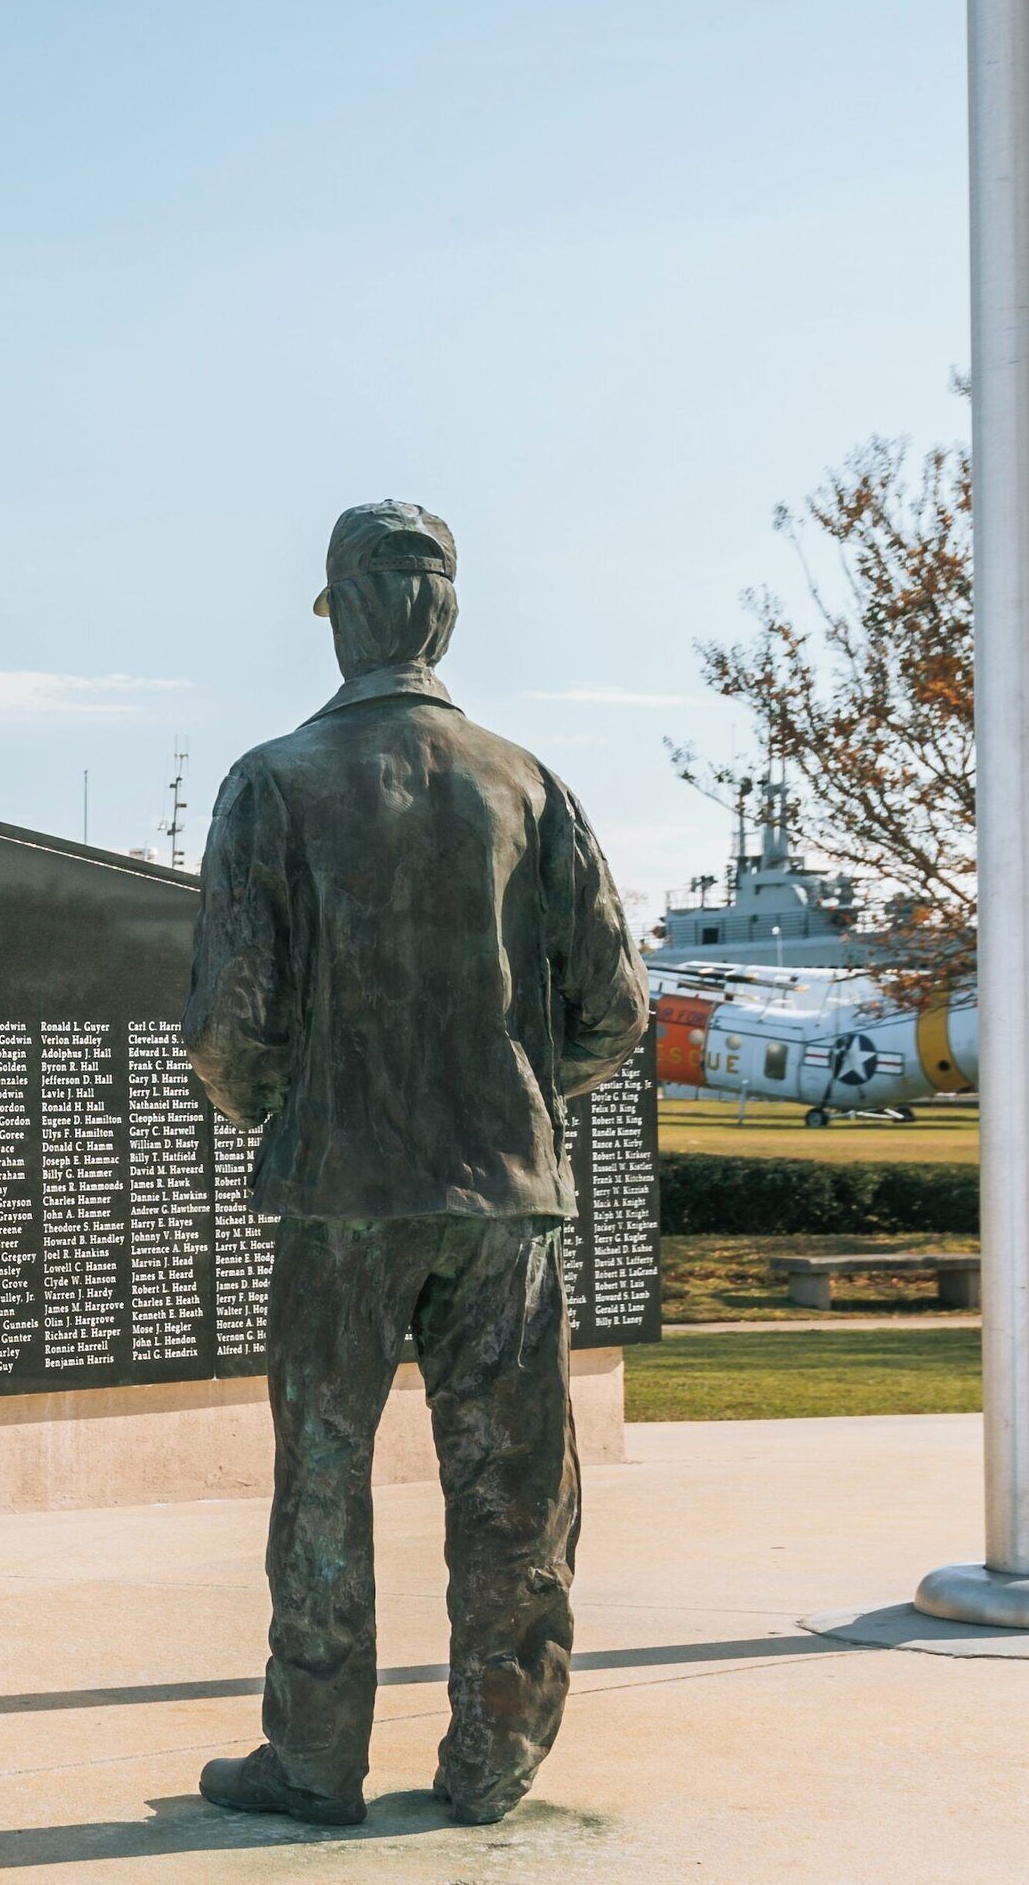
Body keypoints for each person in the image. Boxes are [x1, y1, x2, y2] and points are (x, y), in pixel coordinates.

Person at [183, 500, 650, 1829]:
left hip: (340, 1188)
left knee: (324, 1473)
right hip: (505, 1192)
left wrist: (297, 1107)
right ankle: (494, 1756)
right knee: (513, 1485)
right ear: (444, 614)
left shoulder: (274, 783)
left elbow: (227, 1024)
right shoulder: (529, 786)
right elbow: (615, 1008)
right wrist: (498, 1099)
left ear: (343, 613)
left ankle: (317, 1756)